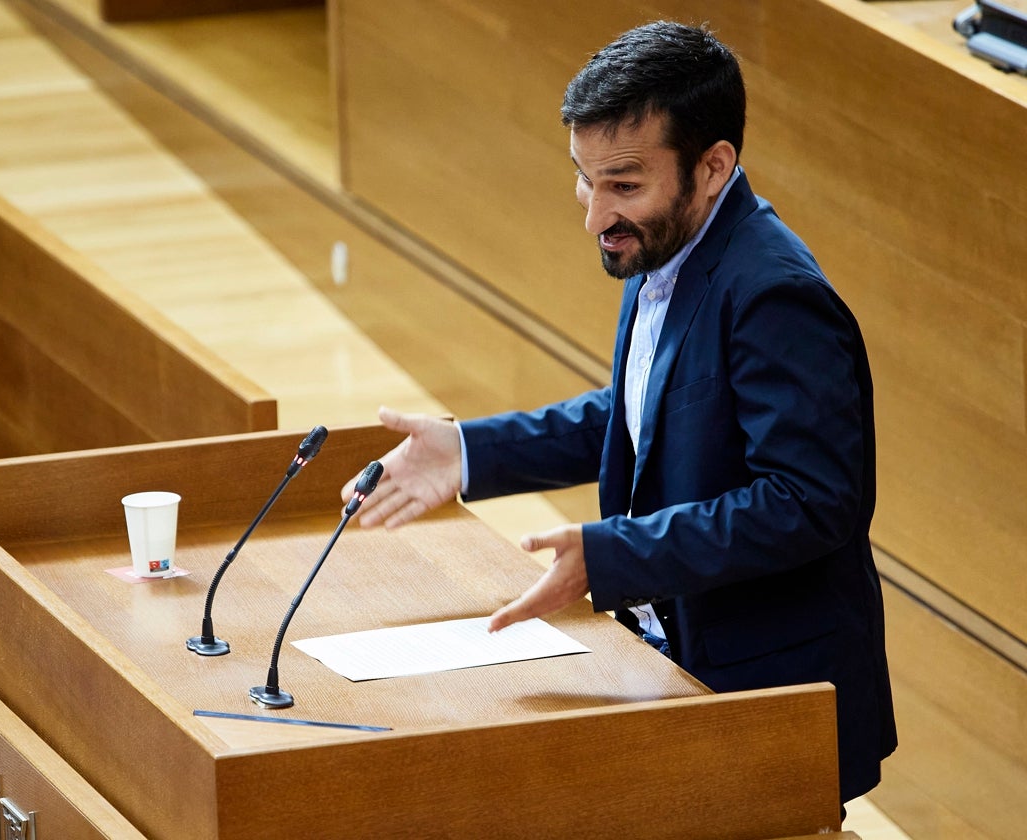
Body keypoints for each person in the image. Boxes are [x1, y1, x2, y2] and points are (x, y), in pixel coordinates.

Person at [343, 21, 896, 808]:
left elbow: (810, 503)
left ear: (713, 167)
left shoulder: (775, 294)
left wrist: (615, 556)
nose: (595, 214)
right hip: (674, 662)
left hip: (766, 690)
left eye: (624, 185)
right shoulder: (663, 244)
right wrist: (470, 451)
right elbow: (644, 415)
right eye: (584, 178)